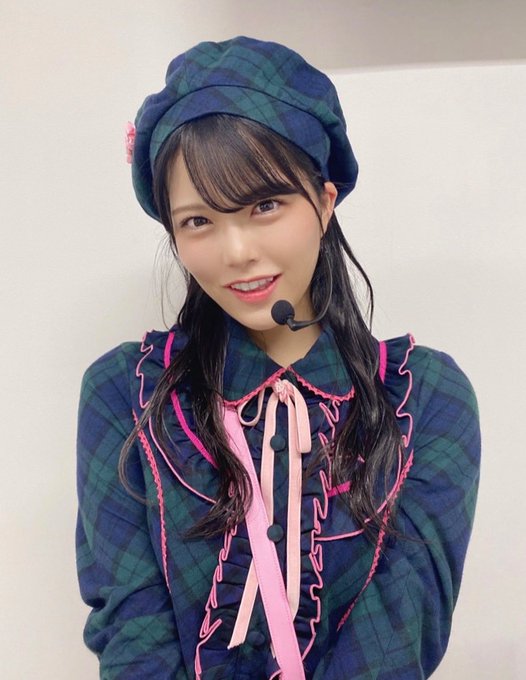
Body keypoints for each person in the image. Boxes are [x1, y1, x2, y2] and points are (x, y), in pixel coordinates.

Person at [75, 36, 480, 679]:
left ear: (324, 201)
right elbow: (132, 634)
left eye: (264, 205)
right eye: (198, 221)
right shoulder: (124, 395)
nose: (236, 252)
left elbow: (400, 637)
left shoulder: (426, 399)